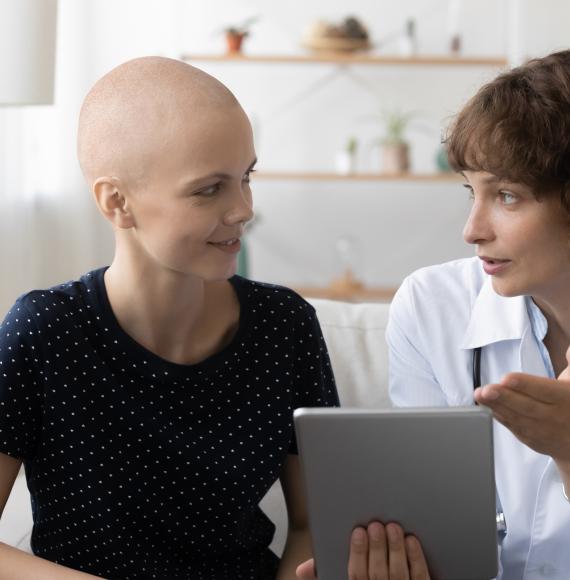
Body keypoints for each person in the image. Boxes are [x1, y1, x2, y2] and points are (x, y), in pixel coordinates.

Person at [0, 56, 339, 579]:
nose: (244, 208)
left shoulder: (285, 326)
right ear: (117, 202)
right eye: (209, 189)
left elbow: (312, 524)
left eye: (246, 177)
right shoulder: (45, 331)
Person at [298, 49, 570, 580]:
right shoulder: (432, 306)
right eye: (473, 190)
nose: (472, 230)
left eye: (508, 196)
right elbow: (433, 525)